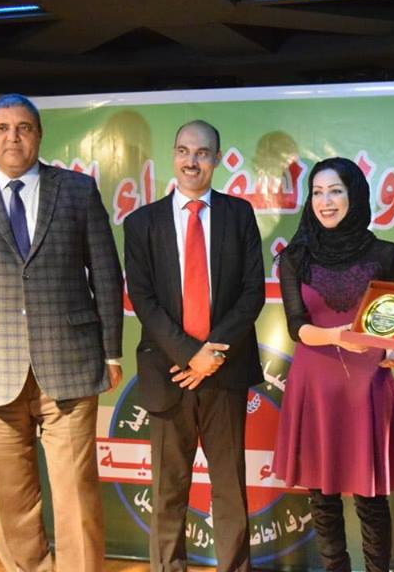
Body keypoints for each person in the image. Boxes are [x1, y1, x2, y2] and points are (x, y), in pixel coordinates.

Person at [0, 93, 124, 572]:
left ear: (39, 134)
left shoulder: (77, 191)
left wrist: (111, 352)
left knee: (76, 496)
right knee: (8, 501)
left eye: (23, 127)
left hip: (70, 366)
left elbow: (106, 275)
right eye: (2, 128)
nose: (13, 137)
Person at [123, 120, 265, 572]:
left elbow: (252, 293)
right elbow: (143, 299)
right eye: (183, 151)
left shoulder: (239, 215)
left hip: (226, 371)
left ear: (217, 159)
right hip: (169, 372)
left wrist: (211, 355)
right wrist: (190, 354)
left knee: (230, 488)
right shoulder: (141, 223)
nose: (191, 161)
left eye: (202, 153)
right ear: (173, 154)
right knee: (168, 490)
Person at [272, 157, 394, 572]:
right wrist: (338, 336)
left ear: (355, 196)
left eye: (335, 191)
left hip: (368, 385)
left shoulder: (386, 254)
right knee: (322, 496)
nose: (326, 201)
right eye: (317, 192)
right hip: (315, 384)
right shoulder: (294, 257)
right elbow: (297, 327)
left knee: (371, 497)